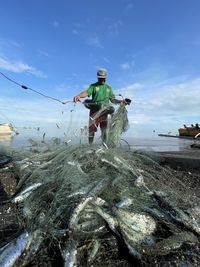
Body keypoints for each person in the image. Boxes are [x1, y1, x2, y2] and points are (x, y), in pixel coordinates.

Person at [73, 68, 128, 144]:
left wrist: (121, 101)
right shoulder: (93, 86)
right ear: (98, 77)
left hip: (104, 112)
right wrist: (79, 96)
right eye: (100, 78)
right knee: (91, 131)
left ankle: (104, 147)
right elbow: (86, 92)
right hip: (94, 112)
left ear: (106, 77)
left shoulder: (109, 88)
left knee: (104, 131)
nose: (102, 80)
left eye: (103, 78)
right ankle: (90, 146)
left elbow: (113, 100)